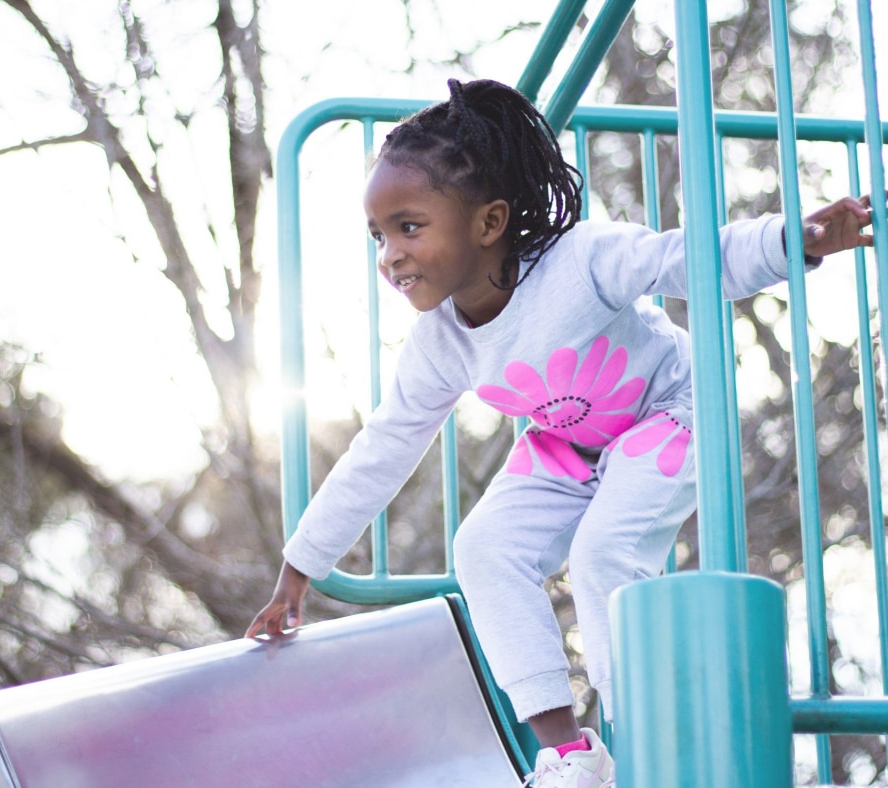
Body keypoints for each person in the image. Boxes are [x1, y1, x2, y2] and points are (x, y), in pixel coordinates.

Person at [246, 78, 879, 788]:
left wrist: (802, 238)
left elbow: (688, 258)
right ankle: (571, 754)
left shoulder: (583, 259)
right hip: (568, 447)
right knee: (483, 547)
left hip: (669, 410)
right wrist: (301, 564)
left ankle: (646, 744)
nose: (390, 254)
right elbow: (383, 447)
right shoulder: (440, 343)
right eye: (379, 235)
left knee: (603, 550)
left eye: (410, 226)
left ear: (488, 223)